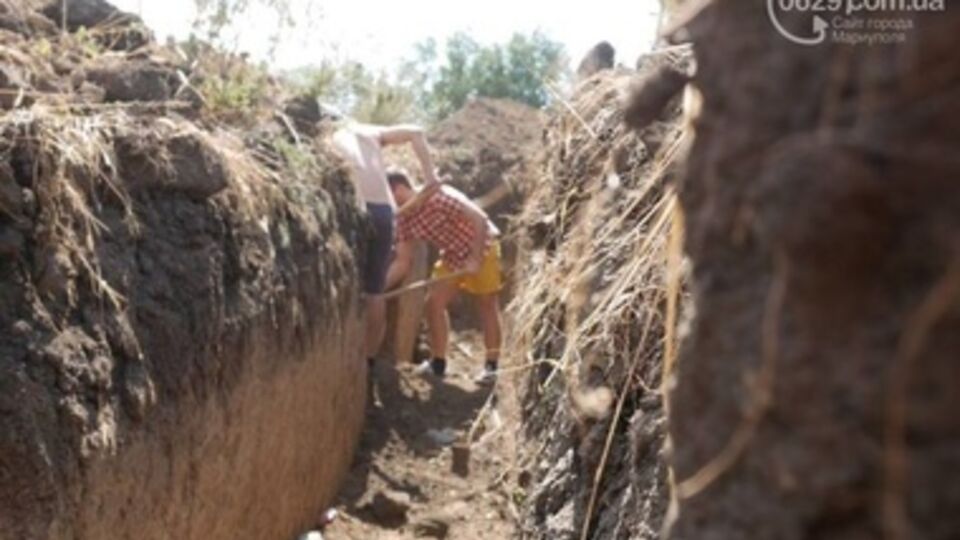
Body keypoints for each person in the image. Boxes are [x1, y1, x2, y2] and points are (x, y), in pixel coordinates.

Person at [330, 120, 441, 369]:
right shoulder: (370, 133)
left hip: (355, 209)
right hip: (382, 212)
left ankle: (347, 349)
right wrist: (430, 177)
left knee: (350, 280)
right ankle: (369, 358)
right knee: (374, 292)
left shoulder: (330, 136)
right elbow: (416, 131)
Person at [384, 171, 503, 384]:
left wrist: (475, 258)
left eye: (388, 196)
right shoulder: (403, 219)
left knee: (487, 305)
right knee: (433, 304)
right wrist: (380, 291)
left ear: (399, 190)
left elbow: (480, 219)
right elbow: (402, 262)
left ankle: (492, 367)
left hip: (483, 247)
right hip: (452, 256)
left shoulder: (440, 196)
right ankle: (438, 363)